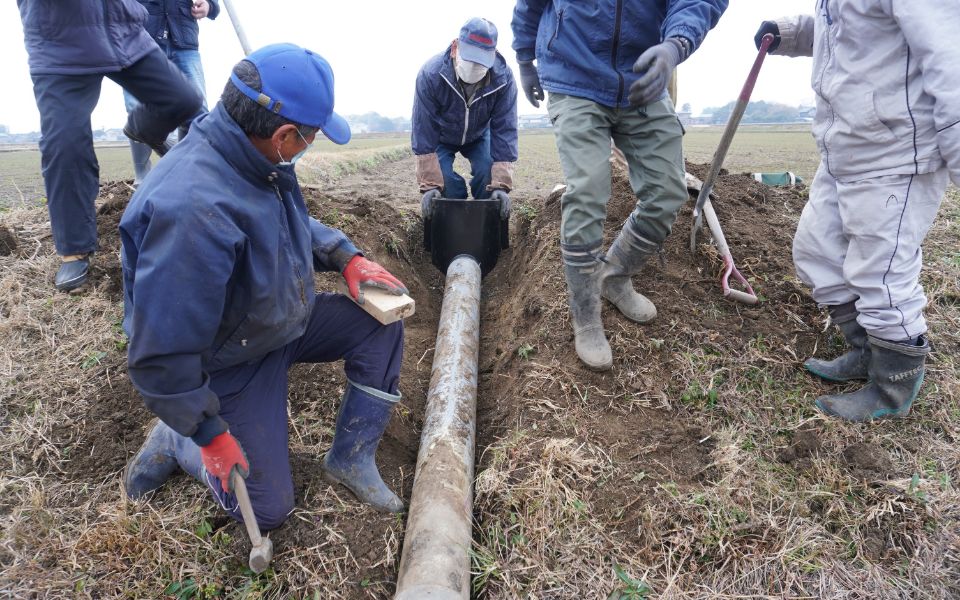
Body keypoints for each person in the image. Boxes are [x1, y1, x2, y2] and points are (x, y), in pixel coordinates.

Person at [120, 44, 410, 529]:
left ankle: (351, 459)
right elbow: (160, 357)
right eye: (310, 137)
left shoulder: (253, 157)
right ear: (283, 134)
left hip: (274, 316)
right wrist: (208, 432)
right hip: (230, 358)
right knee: (269, 510)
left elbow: (282, 220)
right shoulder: (192, 213)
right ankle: (178, 440)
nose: (309, 146)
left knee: (381, 326)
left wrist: (346, 257)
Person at [755, 4, 960, 422]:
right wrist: (792, 33)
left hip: (898, 151)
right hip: (847, 148)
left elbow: (949, 54)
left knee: (880, 272)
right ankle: (866, 350)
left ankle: (893, 384)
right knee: (817, 250)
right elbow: (846, 32)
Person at [511, 0, 728, 370]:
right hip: (573, 73)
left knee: (667, 192)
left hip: (642, 76)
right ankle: (586, 315)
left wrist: (675, 45)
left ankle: (614, 277)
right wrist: (524, 58)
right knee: (587, 191)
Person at [17, 0, 203, 292]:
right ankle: (74, 250)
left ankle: (141, 128)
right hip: (59, 39)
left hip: (122, 29)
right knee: (65, 144)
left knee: (184, 100)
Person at [412, 17, 518, 221]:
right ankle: (454, 222)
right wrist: (430, 185)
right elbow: (423, 128)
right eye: (469, 59)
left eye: (481, 62)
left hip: (479, 133)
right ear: (455, 48)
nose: (474, 66)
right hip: (441, 136)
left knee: (488, 175)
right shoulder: (431, 75)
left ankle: (486, 227)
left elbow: (505, 128)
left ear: (493, 56)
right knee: (445, 186)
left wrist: (500, 185)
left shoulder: (503, 80)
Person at [124, 0, 220, 187]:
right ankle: (143, 178)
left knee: (197, 110)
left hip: (184, 41)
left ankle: (186, 174)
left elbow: (212, 3)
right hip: (143, 38)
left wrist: (209, 5)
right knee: (138, 107)